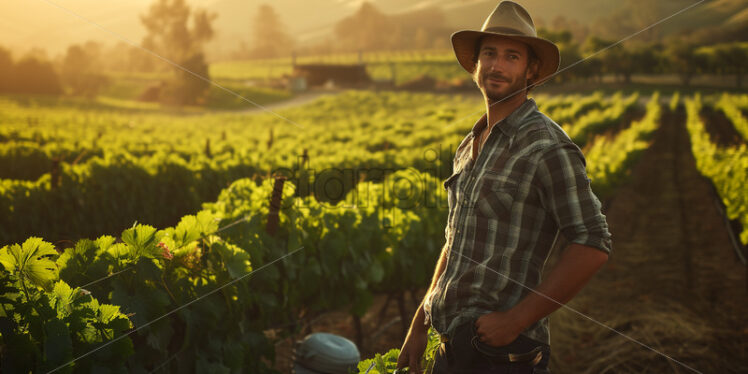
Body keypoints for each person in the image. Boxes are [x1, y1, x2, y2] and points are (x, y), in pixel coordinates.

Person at [396, 1, 613, 373]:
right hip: (451, 346)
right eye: (489, 54)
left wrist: (516, 319)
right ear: (476, 65)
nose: (497, 65)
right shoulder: (470, 145)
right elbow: (455, 241)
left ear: (531, 70)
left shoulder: (547, 146)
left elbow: (593, 241)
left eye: (512, 56)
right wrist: (420, 322)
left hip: (502, 354)